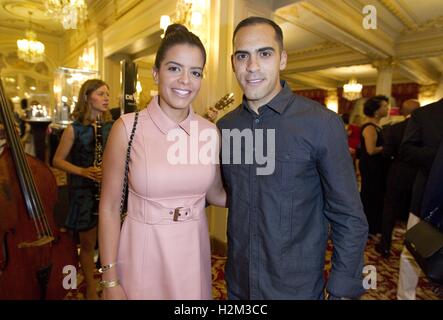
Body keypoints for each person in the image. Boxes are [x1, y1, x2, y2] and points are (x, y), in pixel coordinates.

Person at [217, 16, 368, 299]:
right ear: (233, 62)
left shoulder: (321, 124)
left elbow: (348, 216)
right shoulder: (225, 128)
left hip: (295, 289)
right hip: (238, 284)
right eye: (242, 56)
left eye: (264, 53)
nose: (252, 66)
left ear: (282, 59)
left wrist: (342, 289)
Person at [98, 24, 226, 300]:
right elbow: (108, 207)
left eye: (195, 72)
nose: (185, 81)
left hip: (193, 248)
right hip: (144, 249)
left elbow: (215, 193)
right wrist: (109, 281)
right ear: (156, 73)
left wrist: (268, 190)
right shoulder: (127, 128)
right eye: (174, 68)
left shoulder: (209, 132)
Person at [52, 79, 113, 300]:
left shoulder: (112, 126)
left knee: (110, 243)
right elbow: (57, 160)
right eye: (101, 93)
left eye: (108, 93)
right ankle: (90, 287)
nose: (107, 98)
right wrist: (83, 171)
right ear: (87, 97)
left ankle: (110, 284)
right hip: (84, 192)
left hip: (108, 191)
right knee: (87, 244)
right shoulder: (74, 128)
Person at [397, 97, 443, 300]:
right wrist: (439, 156)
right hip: (428, 197)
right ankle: (404, 297)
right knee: (413, 250)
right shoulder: (425, 114)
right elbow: (406, 150)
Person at [375, 99, 420, 258]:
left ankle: (385, 245)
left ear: (402, 111)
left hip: (398, 175)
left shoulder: (395, 129)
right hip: (419, 177)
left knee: (390, 211)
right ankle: (414, 249)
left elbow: (386, 154)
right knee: (414, 214)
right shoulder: (427, 129)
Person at [359, 95, 390, 236]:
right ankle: (368, 226)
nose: (387, 108)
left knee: (376, 197)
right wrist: (388, 147)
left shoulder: (377, 126)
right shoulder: (370, 127)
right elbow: (371, 150)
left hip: (377, 167)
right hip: (372, 168)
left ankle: (373, 225)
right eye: (384, 106)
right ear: (376, 111)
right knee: (371, 197)